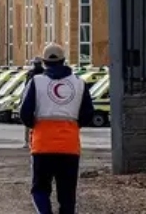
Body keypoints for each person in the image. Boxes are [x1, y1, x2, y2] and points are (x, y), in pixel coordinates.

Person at [19, 44, 93, 214]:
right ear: (64, 61)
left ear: (44, 62)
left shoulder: (36, 82)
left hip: (42, 145)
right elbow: (88, 113)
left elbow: (25, 112)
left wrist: (35, 125)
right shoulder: (79, 83)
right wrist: (73, 125)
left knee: (40, 189)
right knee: (67, 193)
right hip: (69, 146)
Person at [22, 57, 45, 149]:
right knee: (30, 122)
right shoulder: (33, 73)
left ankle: (29, 141)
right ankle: (28, 141)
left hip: (38, 99)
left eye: (37, 63)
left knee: (33, 122)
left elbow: (26, 87)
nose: (36, 65)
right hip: (36, 98)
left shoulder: (33, 73)